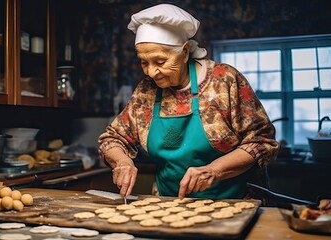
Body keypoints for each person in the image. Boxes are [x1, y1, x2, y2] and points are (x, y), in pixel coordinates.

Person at [97, 3, 279, 200]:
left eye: (160, 62)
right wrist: (122, 161)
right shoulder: (146, 91)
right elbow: (112, 139)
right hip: (168, 203)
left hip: (235, 201)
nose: (150, 72)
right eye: (143, 62)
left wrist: (214, 170)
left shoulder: (224, 80)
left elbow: (262, 140)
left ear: (184, 52)